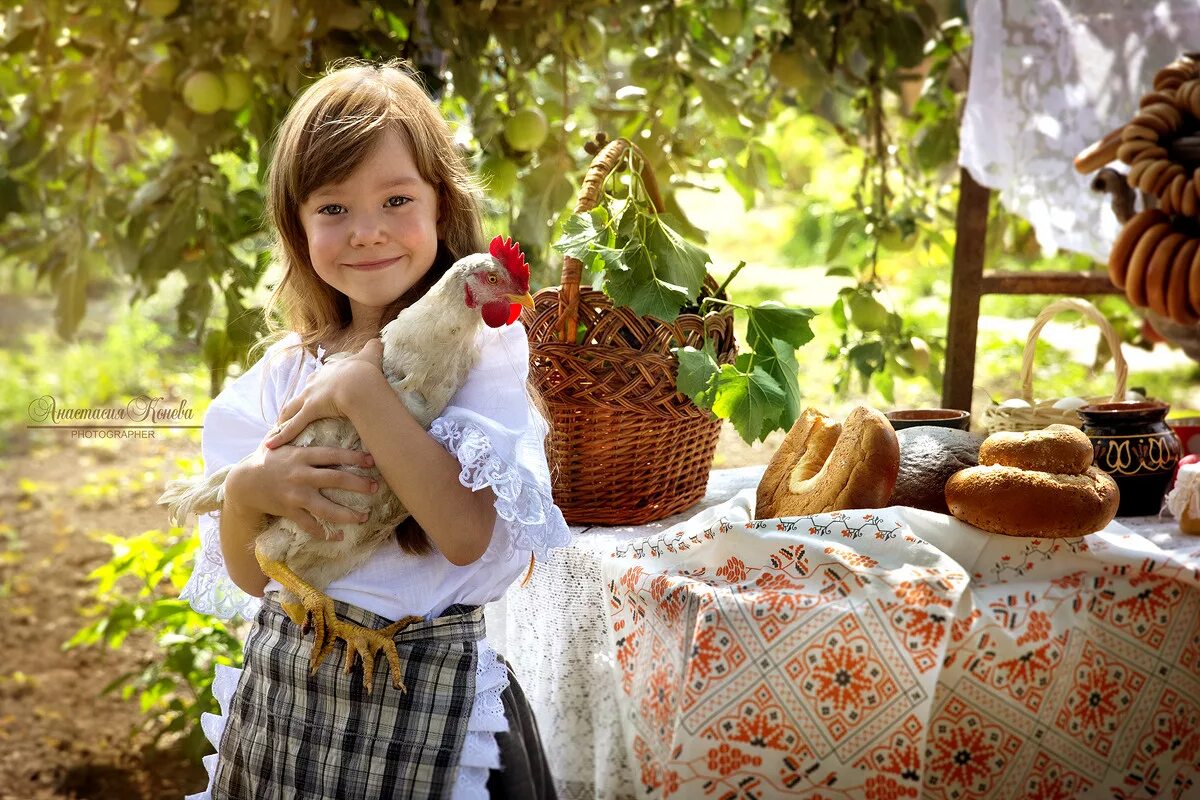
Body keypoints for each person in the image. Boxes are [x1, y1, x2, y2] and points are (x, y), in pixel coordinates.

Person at [179, 58, 569, 799]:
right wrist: (246, 493)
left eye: (395, 199)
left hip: (433, 694)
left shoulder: (477, 360)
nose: (367, 233)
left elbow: (462, 536)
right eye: (332, 210)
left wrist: (362, 390)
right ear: (296, 227)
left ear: (442, 207)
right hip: (290, 694)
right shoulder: (284, 374)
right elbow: (254, 575)